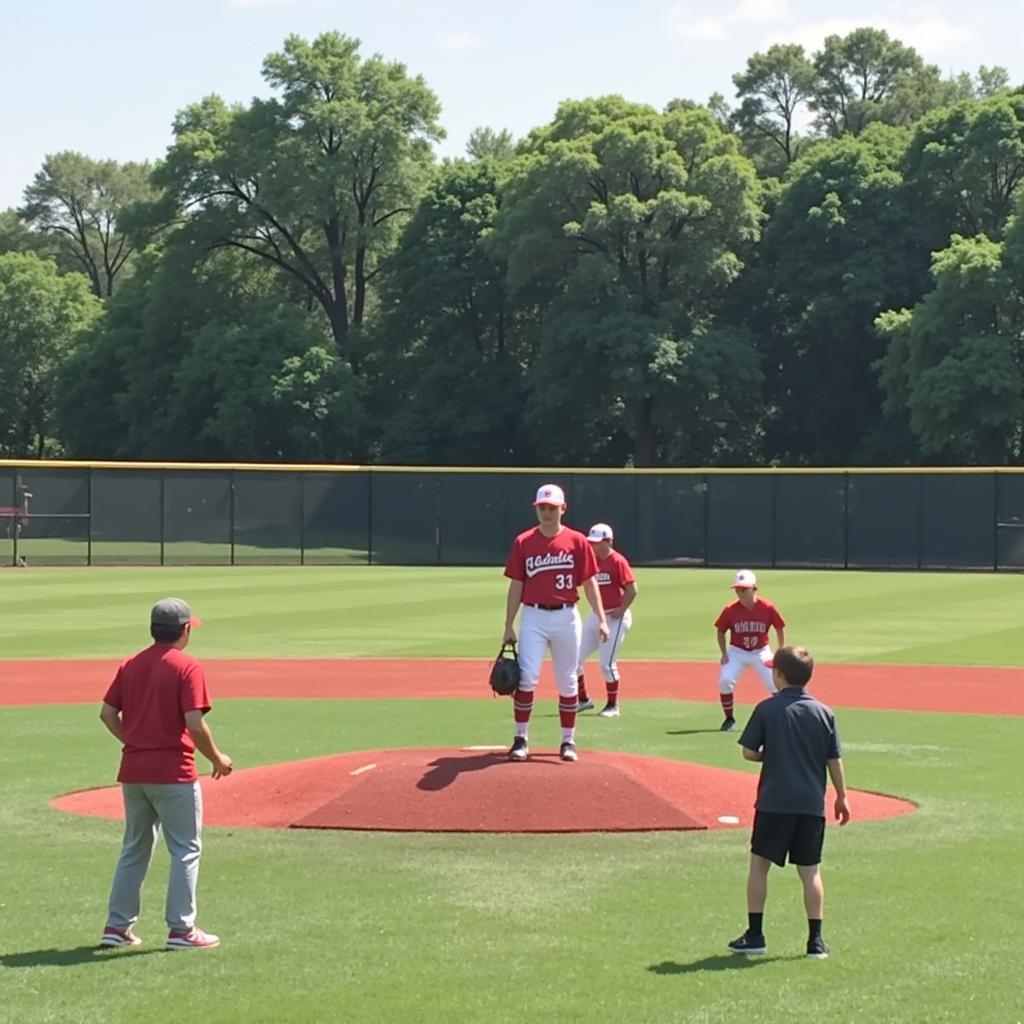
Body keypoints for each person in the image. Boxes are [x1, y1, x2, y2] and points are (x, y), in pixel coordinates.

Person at [97, 598, 233, 951]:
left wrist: (137, 739)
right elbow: (195, 723)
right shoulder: (187, 667)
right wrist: (217, 758)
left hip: (134, 771)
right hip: (173, 773)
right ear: (185, 630)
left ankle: (117, 926)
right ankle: (182, 930)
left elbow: (107, 713)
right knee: (186, 849)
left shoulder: (131, 664)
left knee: (134, 848)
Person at [727, 645, 851, 960]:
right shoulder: (824, 712)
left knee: (759, 866)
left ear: (778, 675)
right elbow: (833, 759)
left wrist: (775, 753)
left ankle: (755, 936)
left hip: (773, 802)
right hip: (811, 803)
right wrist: (842, 796)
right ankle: (816, 942)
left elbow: (749, 752)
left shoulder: (767, 709)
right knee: (810, 871)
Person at [502, 484, 608, 762]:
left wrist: (601, 619)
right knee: (526, 678)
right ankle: (520, 738)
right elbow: (516, 585)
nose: (546, 512)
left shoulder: (577, 541)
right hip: (533, 616)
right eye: (542, 508)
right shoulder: (524, 541)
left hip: (566, 615)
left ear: (563, 508)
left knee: (568, 680)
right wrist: (508, 625)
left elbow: (589, 582)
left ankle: (567, 741)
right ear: (536, 508)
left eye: (551, 507)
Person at [576, 522, 637, 717]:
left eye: (597, 542)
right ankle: (583, 700)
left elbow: (632, 589)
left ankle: (613, 705)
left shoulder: (618, 561)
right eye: (591, 542)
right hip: (597, 615)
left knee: (606, 664)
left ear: (609, 542)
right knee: (573, 659)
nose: (593, 546)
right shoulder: (591, 561)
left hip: (616, 617)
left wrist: (621, 609)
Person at [714, 569, 786, 732]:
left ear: (754, 588)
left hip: (761, 651)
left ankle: (781, 717)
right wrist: (724, 653)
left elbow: (779, 627)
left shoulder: (767, 607)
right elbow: (720, 630)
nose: (740, 593)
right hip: (737, 651)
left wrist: (780, 650)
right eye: (737, 589)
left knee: (775, 684)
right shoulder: (730, 610)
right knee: (725, 681)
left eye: (744, 589)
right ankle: (729, 718)